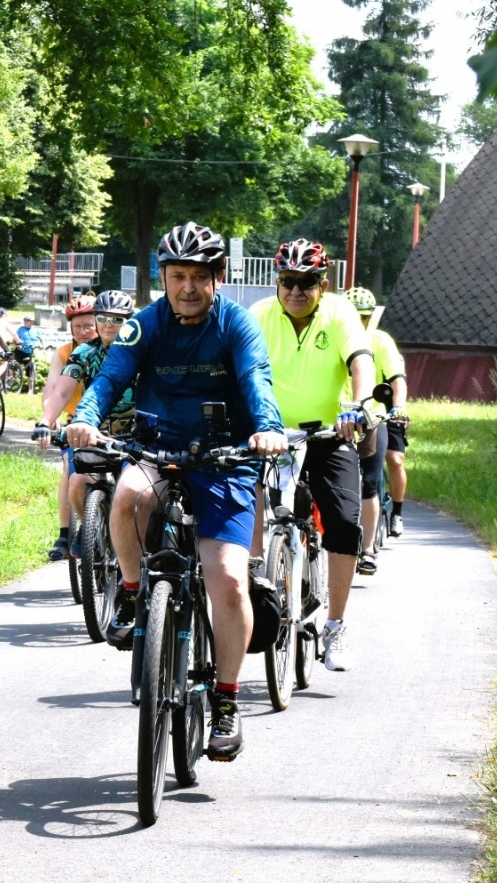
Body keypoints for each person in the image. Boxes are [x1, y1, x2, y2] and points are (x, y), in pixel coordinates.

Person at [66, 221, 287, 761]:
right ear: (163, 277)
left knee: (230, 582)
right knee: (126, 497)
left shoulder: (237, 325)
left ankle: (228, 700)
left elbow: (256, 378)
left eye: (199, 276)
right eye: (177, 275)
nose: (187, 287)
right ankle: (136, 592)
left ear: (218, 277)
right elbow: (111, 377)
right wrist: (87, 418)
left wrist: (268, 428)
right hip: (157, 448)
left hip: (225, 457)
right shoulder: (146, 325)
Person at [248, 240, 374, 671]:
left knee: (342, 523)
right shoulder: (260, 315)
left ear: (323, 284)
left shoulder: (339, 313)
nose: (296, 291)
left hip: (328, 435)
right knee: (250, 496)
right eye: (288, 281)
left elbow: (361, 362)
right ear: (277, 282)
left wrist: (359, 407)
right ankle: (255, 583)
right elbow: (238, 366)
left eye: (307, 282)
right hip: (273, 436)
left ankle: (335, 628)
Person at [33, 290, 137, 532]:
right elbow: (61, 391)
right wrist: (45, 422)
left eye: (117, 319)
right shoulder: (84, 352)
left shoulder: (139, 351)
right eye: (102, 318)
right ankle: (92, 532)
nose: (109, 325)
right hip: (96, 433)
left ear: (129, 322)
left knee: (135, 491)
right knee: (77, 482)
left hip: (134, 434)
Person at [348, 286, 410, 562]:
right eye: (354, 316)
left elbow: (397, 379)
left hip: (382, 409)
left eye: (364, 317)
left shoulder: (380, 340)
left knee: (392, 462)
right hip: (345, 414)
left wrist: (399, 408)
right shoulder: (338, 335)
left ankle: (393, 516)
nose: (359, 322)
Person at [40, 295, 100, 560]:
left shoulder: (111, 350)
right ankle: (66, 534)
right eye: (78, 327)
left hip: (109, 424)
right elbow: (53, 389)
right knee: (69, 468)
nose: (84, 332)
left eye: (89, 325)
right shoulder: (65, 354)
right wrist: (47, 420)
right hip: (74, 423)